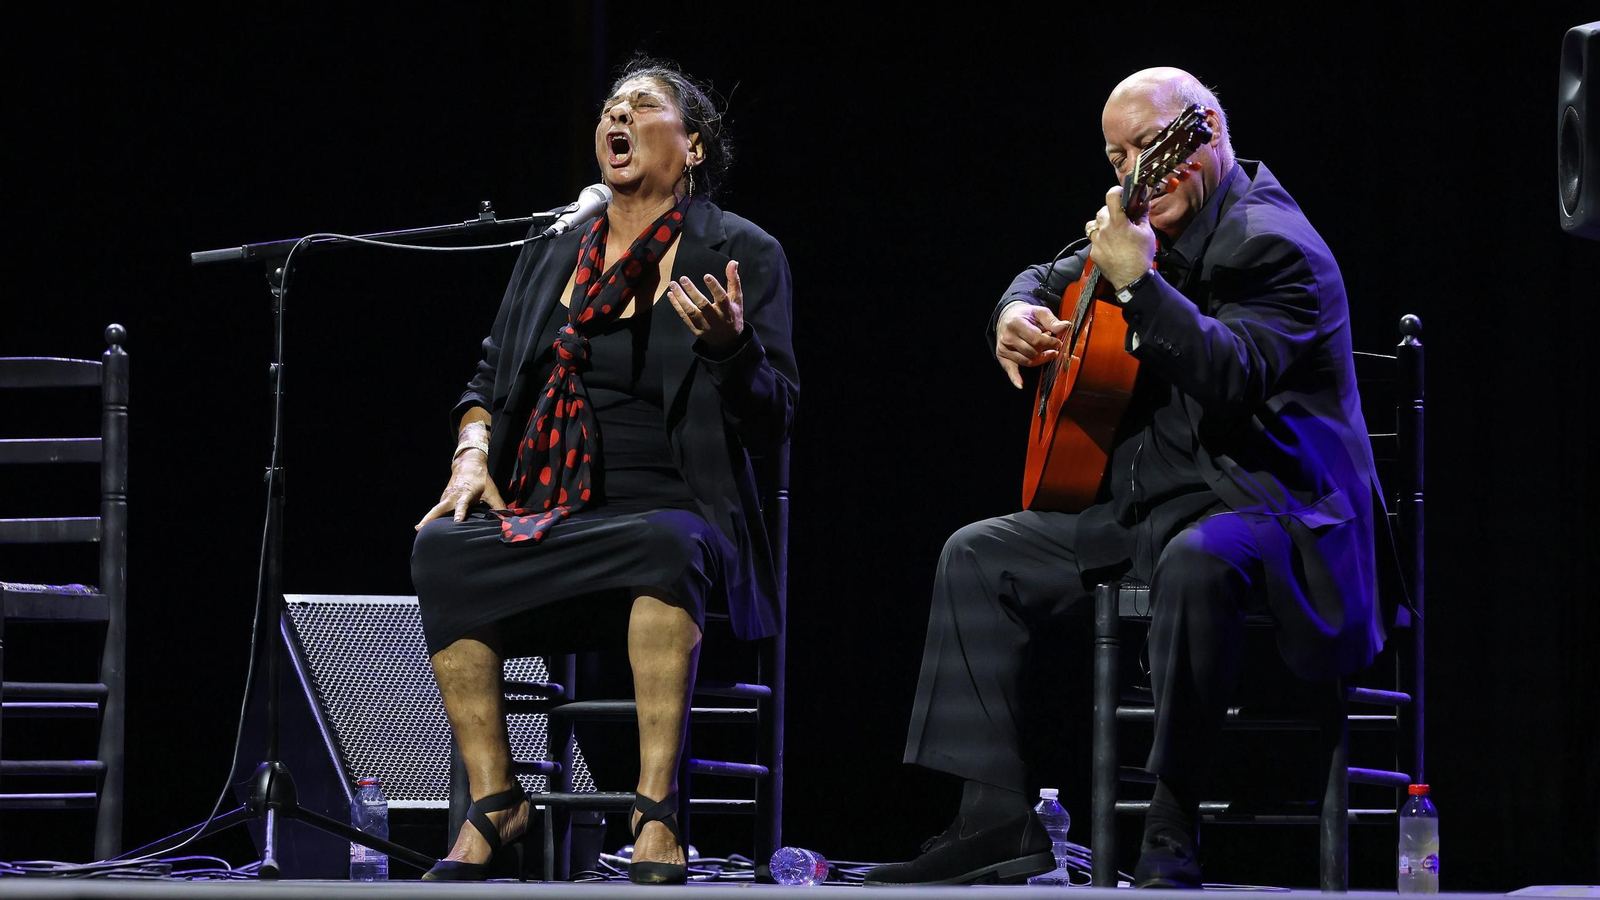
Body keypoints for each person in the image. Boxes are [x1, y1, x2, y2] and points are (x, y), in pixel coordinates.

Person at [865, 67, 1384, 889]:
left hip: (1275, 510)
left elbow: (1233, 373)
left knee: (1196, 560)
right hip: (1157, 509)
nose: (1133, 172)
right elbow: (1051, 270)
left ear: (1204, 132)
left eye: (1148, 146)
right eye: (1117, 157)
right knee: (978, 555)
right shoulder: (1149, 226)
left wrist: (1138, 283)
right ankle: (997, 823)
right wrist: (1012, 312)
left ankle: (1171, 830)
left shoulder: (1275, 242)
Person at [409, 57, 797, 884]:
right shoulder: (553, 252)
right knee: (441, 548)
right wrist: (471, 453)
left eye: (642, 107)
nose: (615, 119)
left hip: (679, 515)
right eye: (609, 109)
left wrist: (733, 350)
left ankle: (656, 814)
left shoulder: (740, 251)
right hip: (556, 518)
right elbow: (485, 381)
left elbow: (774, 417)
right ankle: (495, 801)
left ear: (692, 145)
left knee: (663, 544)